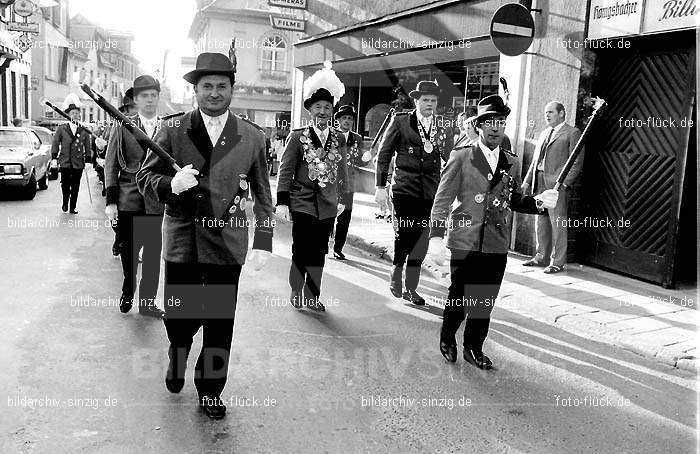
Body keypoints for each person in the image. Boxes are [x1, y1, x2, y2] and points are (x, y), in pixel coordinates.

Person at [137, 52, 273, 420]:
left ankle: (210, 390)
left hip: (226, 245)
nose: (214, 93)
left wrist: (264, 238)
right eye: (207, 86)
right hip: (183, 241)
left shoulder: (251, 137)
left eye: (222, 86)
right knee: (179, 319)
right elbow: (145, 179)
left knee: (219, 324)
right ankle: (177, 350)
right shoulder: (173, 130)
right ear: (195, 90)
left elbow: (264, 193)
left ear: (233, 89)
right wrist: (171, 184)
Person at [428, 95, 559, 369]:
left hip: (496, 243)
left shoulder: (510, 161)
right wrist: (436, 237)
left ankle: (474, 347)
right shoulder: (462, 156)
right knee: (460, 295)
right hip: (465, 240)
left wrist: (538, 202)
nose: (496, 128)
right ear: (479, 126)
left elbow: (513, 198)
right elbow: (442, 200)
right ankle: (448, 336)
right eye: (489, 122)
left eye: (500, 122)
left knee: (484, 299)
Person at [276, 62, 349, 312]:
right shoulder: (297, 137)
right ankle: (296, 289)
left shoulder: (339, 138)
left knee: (319, 253)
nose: (322, 111)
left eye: (327, 107)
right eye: (317, 107)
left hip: (328, 205)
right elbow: (285, 170)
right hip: (302, 202)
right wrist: (282, 201)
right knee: (301, 250)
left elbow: (343, 169)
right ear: (310, 110)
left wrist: (344, 198)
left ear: (332, 111)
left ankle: (312, 295)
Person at [375, 80, 454, 305]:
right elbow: (384, 154)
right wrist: (380, 186)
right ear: (417, 101)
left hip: (430, 192)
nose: (430, 104)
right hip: (404, 190)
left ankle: (411, 288)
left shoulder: (442, 126)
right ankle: (396, 272)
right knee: (404, 234)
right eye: (426, 100)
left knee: (421, 241)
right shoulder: (401, 121)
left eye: (434, 100)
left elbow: (450, 159)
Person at [105, 75, 165, 318]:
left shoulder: (168, 127)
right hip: (129, 199)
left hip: (155, 201)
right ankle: (128, 288)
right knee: (130, 253)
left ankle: (148, 302)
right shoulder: (122, 125)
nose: (149, 100)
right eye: (144, 96)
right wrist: (111, 202)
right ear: (136, 100)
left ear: (158, 98)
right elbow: (110, 165)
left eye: (153, 95)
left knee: (152, 256)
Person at [521, 101, 583, 274]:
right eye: (545, 112)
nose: (546, 115)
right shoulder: (544, 133)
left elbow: (577, 161)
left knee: (558, 222)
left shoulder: (573, 132)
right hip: (539, 182)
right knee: (540, 222)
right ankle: (541, 256)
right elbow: (535, 161)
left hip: (557, 186)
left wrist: (563, 183)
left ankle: (557, 261)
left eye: (550, 112)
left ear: (562, 113)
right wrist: (527, 181)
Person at [332, 104, 364, 260]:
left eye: (350, 118)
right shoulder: (330, 135)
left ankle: (338, 248)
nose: (347, 121)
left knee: (344, 219)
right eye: (344, 118)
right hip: (330, 183)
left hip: (348, 185)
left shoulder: (357, 138)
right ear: (338, 120)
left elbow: (361, 161)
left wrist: (369, 157)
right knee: (327, 215)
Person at [50, 99, 93, 214]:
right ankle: (65, 202)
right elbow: (55, 143)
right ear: (68, 115)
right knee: (65, 184)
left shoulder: (83, 129)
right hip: (65, 161)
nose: (75, 115)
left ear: (79, 115)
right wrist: (54, 158)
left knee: (75, 186)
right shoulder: (61, 128)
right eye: (72, 113)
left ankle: (72, 206)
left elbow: (88, 147)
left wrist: (88, 160)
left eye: (77, 113)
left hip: (78, 162)